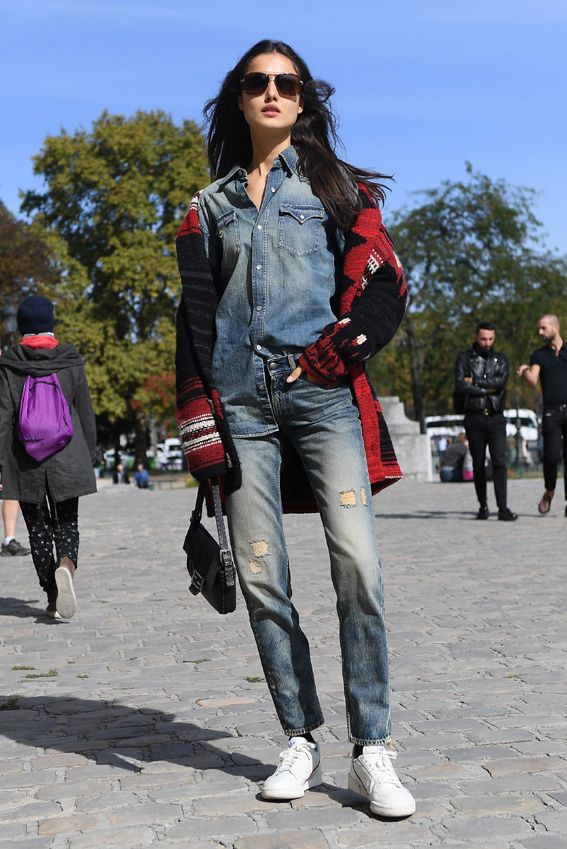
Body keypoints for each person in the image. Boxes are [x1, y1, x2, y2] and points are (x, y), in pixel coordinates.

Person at [175, 39, 415, 818]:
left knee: (359, 568)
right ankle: (300, 736)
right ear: (239, 99)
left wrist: (354, 342)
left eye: (286, 82)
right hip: (241, 410)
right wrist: (200, 416)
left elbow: (383, 281)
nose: (272, 92)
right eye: (257, 82)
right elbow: (194, 319)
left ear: (304, 100)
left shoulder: (335, 188)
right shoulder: (208, 207)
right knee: (261, 578)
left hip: (321, 399)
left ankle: (372, 746)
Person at [0, 295, 97, 619]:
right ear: (51, 325)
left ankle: (53, 596)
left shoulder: (10, 363)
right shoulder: (70, 359)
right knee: (68, 523)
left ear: (22, 327)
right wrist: (91, 452)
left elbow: (2, 418)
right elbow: (84, 410)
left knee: (38, 531)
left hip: (24, 459)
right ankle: (66, 564)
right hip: (68, 455)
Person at [454, 322, 517, 521]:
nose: (487, 343)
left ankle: (503, 508)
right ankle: (483, 506)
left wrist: (475, 382)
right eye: (483, 339)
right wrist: (486, 388)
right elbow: (460, 386)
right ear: (476, 337)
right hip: (474, 417)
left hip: (496, 416)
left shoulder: (501, 359)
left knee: (500, 462)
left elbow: (500, 384)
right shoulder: (464, 359)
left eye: (491, 339)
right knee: (478, 464)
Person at [518, 314, 567, 516]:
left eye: (543, 328)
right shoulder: (539, 355)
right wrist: (526, 372)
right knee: (552, 455)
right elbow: (533, 381)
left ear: (555, 328)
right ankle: (549, 490)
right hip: (551, 412)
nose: (540, 332)